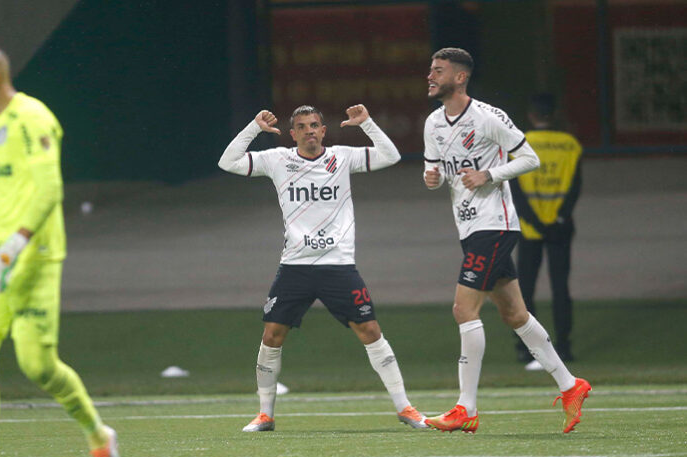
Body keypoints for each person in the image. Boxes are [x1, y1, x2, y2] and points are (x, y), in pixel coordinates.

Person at [0, 43, 123, 457]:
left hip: (33, 255)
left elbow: (49, 190)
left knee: (37, 365)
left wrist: (12, 248)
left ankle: (98, 436)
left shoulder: (33, 117)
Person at [218, 104, 428, 432]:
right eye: (302, 126)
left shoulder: (343, 157)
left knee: (370, 330)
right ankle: (265, 414)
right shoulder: (278, 159)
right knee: (272, 335)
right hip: (295, 266)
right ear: (293, 134)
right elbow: (227, 162)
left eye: (314, 125)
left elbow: (391, 156)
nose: (309, 131)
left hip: (338, 265)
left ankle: (406, 408)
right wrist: (254, 128)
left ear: (323, 130)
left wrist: (368, 124)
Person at [420, 47, 591, 433]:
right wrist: (431, 178)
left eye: (438, 70)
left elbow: (530, 159)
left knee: (463, 310)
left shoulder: (487, 117)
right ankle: (571, 385)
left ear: (460, 77)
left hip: (495, 224)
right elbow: (434, 171)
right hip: (469, 228)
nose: (430, 76)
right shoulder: (432, 122)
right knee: (514, 314)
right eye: (430, 70)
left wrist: (490, 175)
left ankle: (466, 408)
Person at [510, 93, 583, 370]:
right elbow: (575, 188)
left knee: (525, 291)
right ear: (554, 114)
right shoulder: (570, 145)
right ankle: (564, 347)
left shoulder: (519, 145)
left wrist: (537, 223)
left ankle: (527, 351)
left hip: (530, 228)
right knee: (560, 288)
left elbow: (515, 191)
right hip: (561, 229)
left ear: (531, 115)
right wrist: (559, 218)